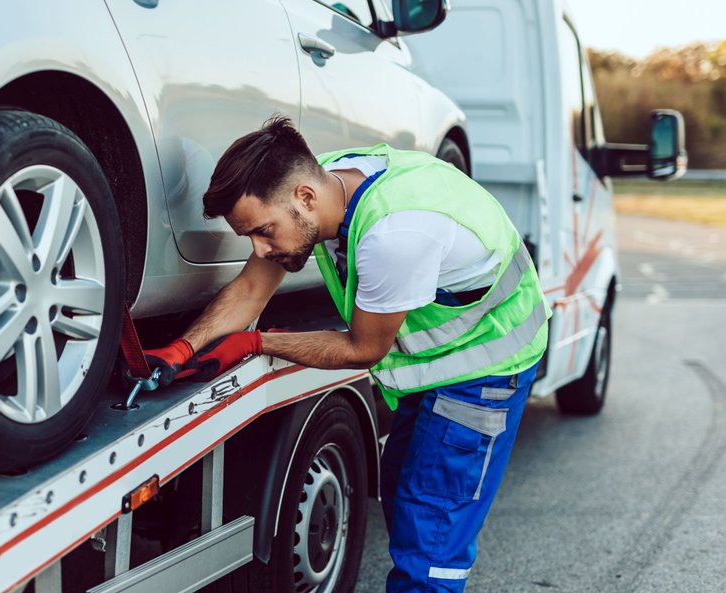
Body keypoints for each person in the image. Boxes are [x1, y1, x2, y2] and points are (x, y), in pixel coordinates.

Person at [141, 116, 551, 592]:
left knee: (431, 540)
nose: (259, 248)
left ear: (305, 198)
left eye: (263, 231)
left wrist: (257, 343)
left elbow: (364, 349)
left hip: (486, 366)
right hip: (437, 362)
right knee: (402, 493)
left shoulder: (394, 235)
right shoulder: (330, 180)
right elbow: (252, 288)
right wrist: (182, 346)